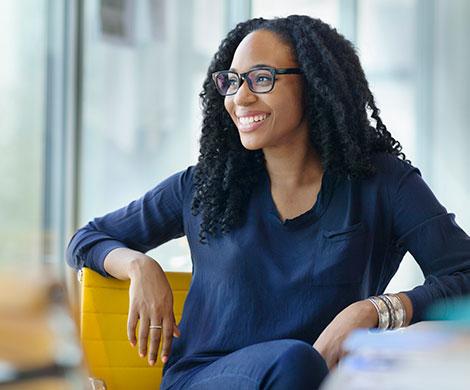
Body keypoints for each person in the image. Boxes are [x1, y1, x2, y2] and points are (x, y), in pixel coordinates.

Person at [66, 15, 470, 390]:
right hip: (204, 378)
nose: (240, 98)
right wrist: (139, 265)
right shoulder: (205, 186)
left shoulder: (383, 183)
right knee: (295, 360)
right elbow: (87, 238)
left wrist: (373, 311)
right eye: (232, 81)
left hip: (320, 379)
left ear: (313, 84)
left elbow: (464, 274)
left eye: (262, 79)